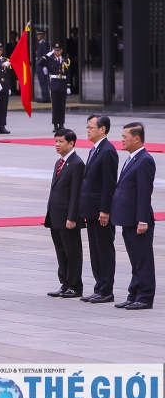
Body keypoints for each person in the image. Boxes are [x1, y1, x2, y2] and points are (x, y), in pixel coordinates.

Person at [112, 122, 156, 310]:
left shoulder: (145, 160)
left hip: (138, 220)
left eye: (125, 137)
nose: (121, 140)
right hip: (127, 218)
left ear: (136, 139)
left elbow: (144, 193)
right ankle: (134, 293)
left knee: (142, 258)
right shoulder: (131, 158)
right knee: (134, 258)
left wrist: (142, 220)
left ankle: (145, 296)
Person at [79, 115, 119, 304]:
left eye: (91, 127)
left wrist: (105, 209)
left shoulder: (108, 151)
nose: (88, 130)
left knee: (104, 249)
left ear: (102, 129)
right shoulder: (95, 149)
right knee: (95, 250)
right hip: (91, 210)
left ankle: (106, 289)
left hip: (101, 211)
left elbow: (109, 184)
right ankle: (99, 287)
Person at [44, 128, 85, 299]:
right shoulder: (59, 162)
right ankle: (65, 283)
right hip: (56, 216)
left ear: (71, 143)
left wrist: (72, 217)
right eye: (56, 141)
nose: (57, 145)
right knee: (61, 251)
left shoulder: (77, 164)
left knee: (72, 251)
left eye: (61, 142)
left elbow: (76, 193)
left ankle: (75, 285)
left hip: (68, 217)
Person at [39, 42, 71, 132]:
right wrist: (46, 55)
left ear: (61, 50)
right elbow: (39, 63)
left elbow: (68, 73)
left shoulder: (66, 60)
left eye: (58, 50)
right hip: (54, 84)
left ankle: (61, 124)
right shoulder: (49, 60)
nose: (57, 52)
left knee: (62, 105)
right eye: (55, 51)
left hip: (63, 84)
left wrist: (68, 85)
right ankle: (55, 125)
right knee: (55, 106)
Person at [35, 30, 51, 103]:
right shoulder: (39, 43)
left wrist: (45, 65)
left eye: (39, 35)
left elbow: (46, 55)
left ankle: (46, 97)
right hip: (38, 63)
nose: (37, 36)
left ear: (42, 35)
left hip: (42, 64)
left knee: (44, 81)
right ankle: (44, 96)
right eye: (37, 35)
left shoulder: (45, 43)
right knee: (41, 81)